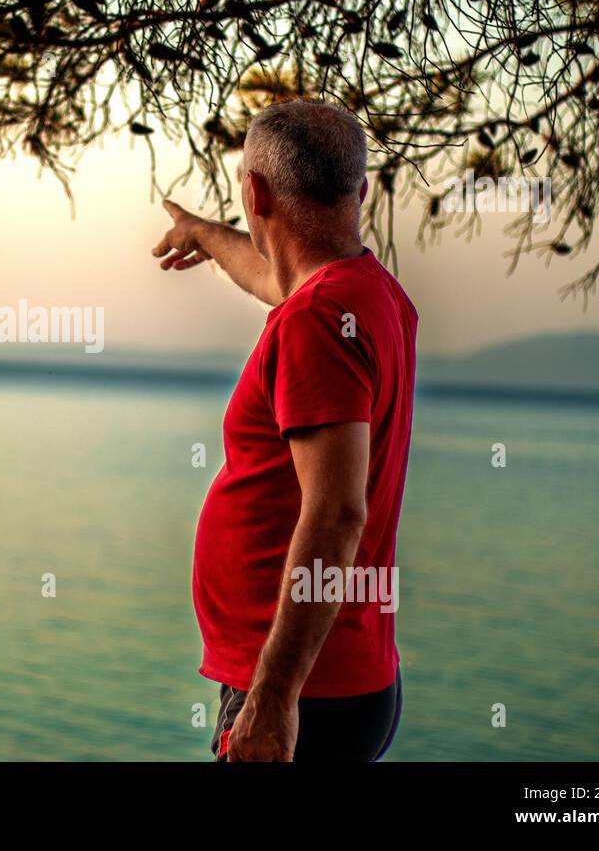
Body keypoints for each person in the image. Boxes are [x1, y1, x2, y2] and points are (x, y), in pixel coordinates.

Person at [152, 98, 417, 761]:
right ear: (359, 191)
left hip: (301, 694)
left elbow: (336, 515)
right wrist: (207, 235)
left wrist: (272, 698)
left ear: (256, 191)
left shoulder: (317, 321)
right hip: (340, 681)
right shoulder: (365, 295)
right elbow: (276, 278)